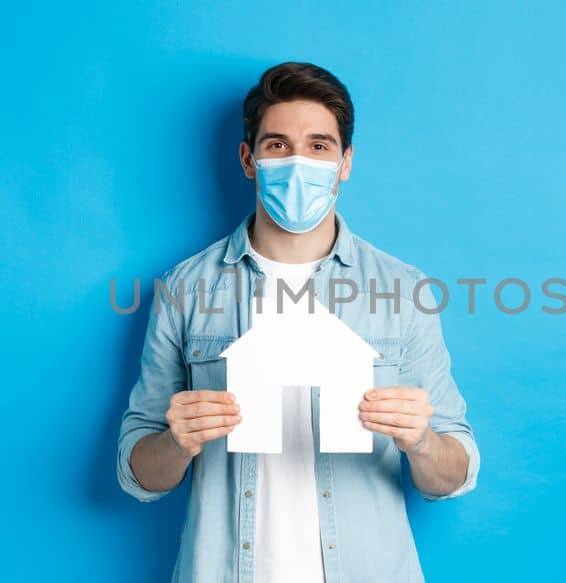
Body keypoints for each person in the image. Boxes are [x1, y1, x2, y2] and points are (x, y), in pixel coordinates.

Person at [117, 62, 479, 582]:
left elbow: (455, 471)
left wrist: (421, 441)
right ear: (249, 159)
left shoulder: (405, 290)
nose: (299, 162)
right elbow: (138, 474)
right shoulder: (184, 289)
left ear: (345, 161)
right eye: (278, 145)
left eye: (319, 146)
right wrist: (177, 442)